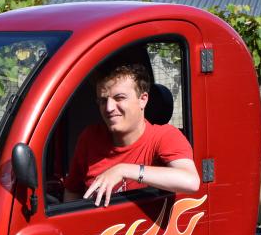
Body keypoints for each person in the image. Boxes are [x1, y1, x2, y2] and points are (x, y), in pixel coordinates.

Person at [63, 64, 200, 207]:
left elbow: (190, 181)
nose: (109, 108)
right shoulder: (90, 138)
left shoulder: (164, 136)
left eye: (119, 98)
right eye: (103, 100)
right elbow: (73, 192)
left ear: (143, 99)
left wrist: (124, 170)